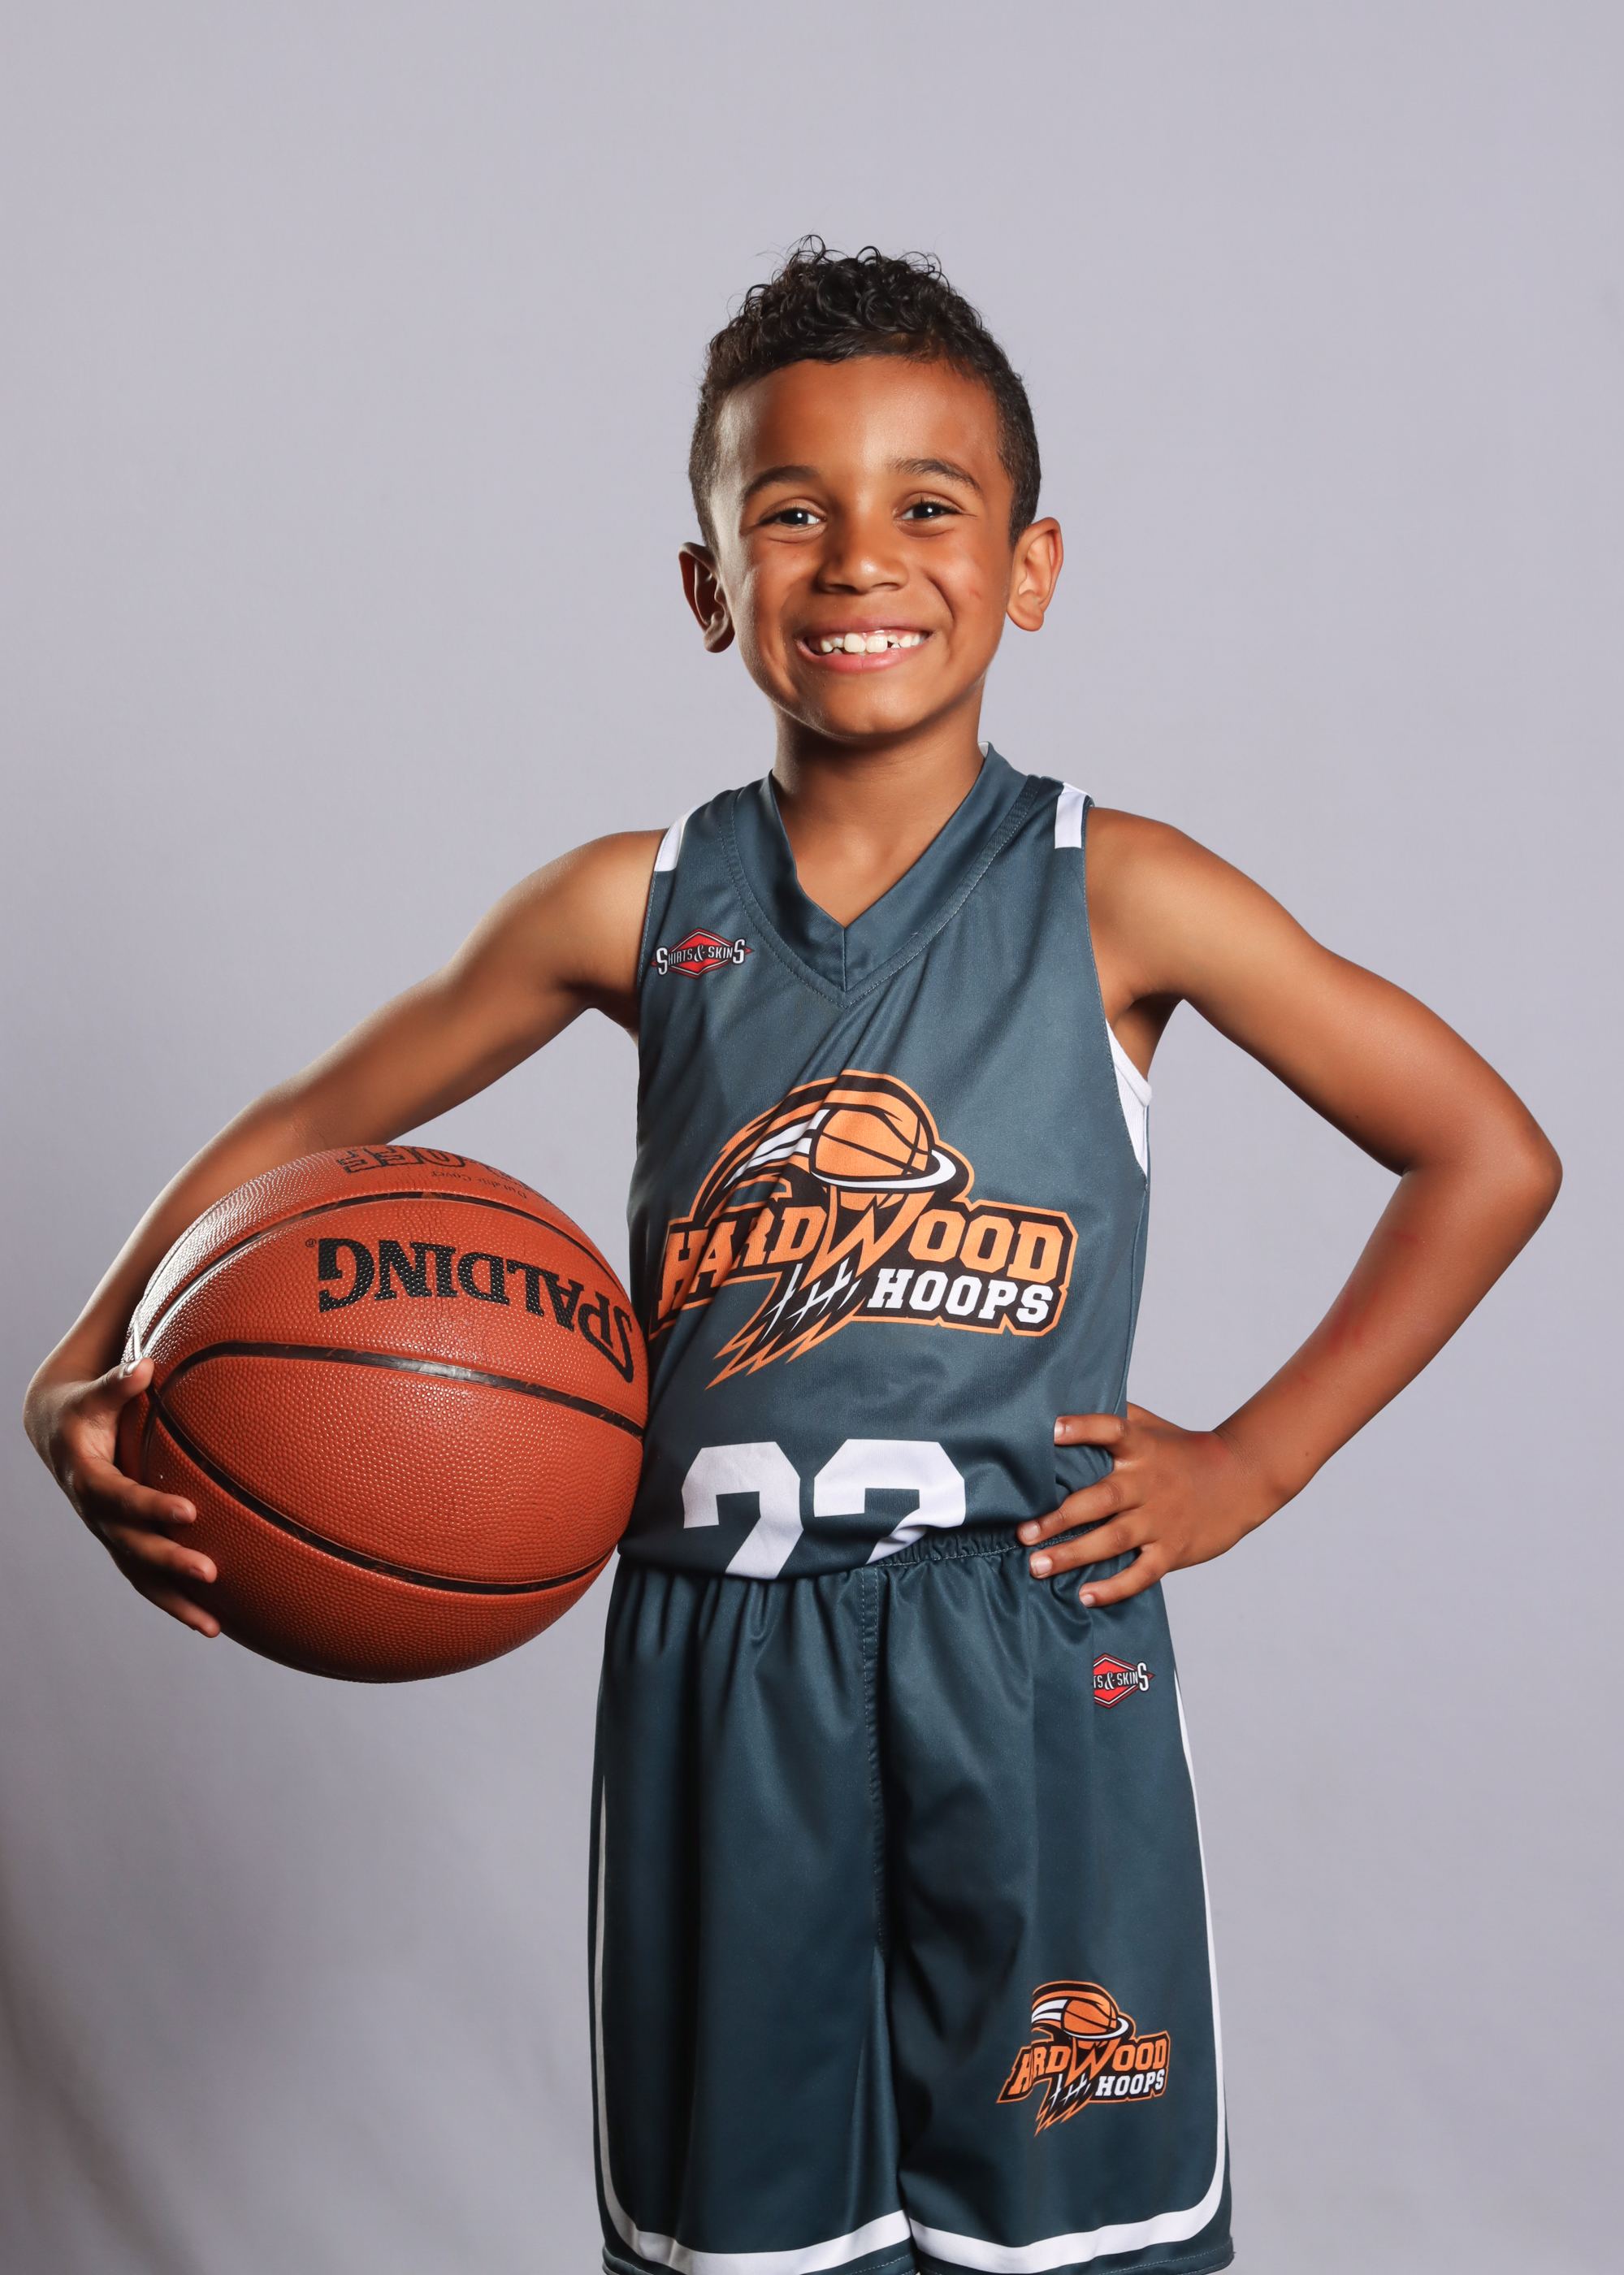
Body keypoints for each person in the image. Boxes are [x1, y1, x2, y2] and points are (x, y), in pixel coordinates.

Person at [24, 242, 1559, 2275]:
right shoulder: (631, 902)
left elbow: (1484, 1151)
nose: (859, 560)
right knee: (741, 2254)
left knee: (1078, 2245)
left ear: (1029, 565)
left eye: (928, 504)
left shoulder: (1118, 891)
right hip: (721, 1664)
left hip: (1027, 1650)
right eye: (789, 512)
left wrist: (1257, 1459)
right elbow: (317, 1118)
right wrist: (83, 1358)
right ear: (705, 584)